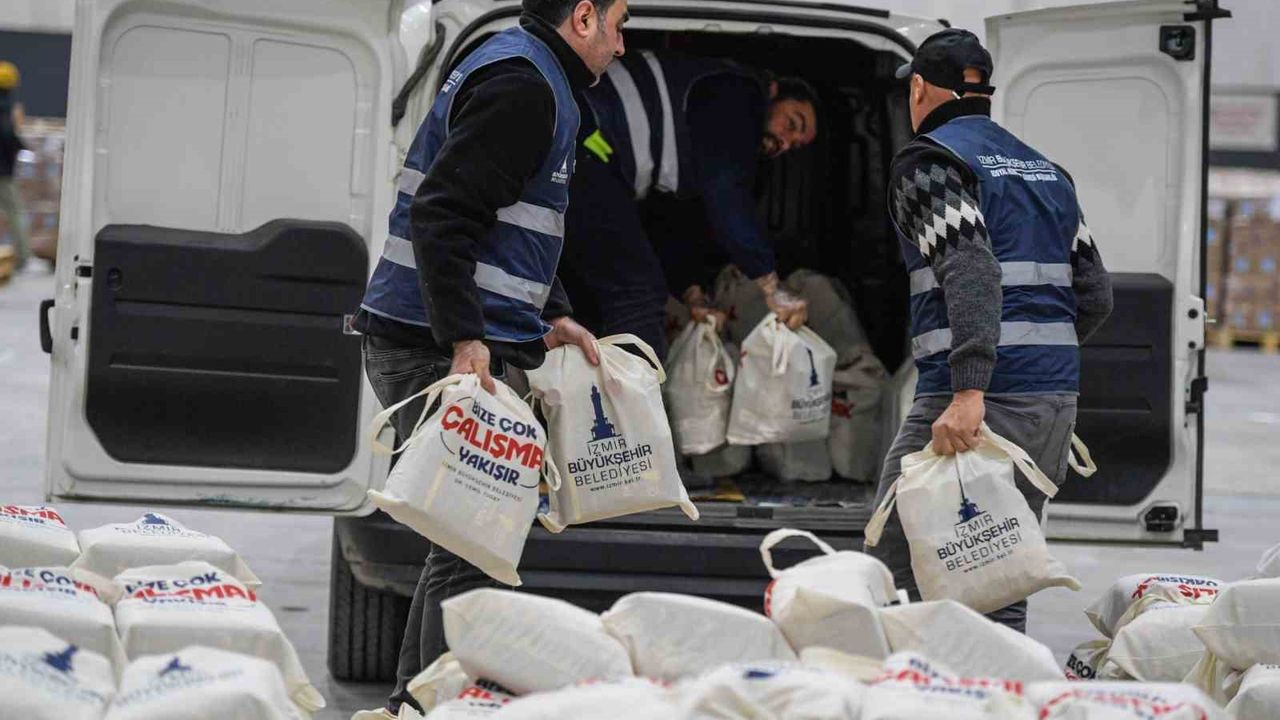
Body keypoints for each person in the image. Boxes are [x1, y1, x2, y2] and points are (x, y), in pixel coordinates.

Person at [349, 1, 627, 717]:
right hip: (432, 348)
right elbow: (443, 212)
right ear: (585, 16)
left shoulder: (530, 72)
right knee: (472, 543)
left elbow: (511, 222)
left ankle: (417, 704)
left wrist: (551, 312)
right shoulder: (524, 88)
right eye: (620, 23)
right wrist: (465, 339)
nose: (622, 45)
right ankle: (423, 707)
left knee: (467, 542)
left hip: (433, 338)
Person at [864, 29, 1113, 633]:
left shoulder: (931, 164)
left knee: (895, 565)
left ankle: (913, 682)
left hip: (973, 404)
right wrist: (1037, 363)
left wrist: (971, 388)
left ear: (918, 89)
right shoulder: (1048, 173)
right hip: (1050, 404)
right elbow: (1095, 295)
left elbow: (971, 267)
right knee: (999, 576)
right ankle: (998, 681)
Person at [559, 52, 819, 358]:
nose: (785, 142)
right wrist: (771, 286)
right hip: (586, 139)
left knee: (600, 288)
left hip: (588, 152)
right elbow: (727, 195)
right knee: (639, 294)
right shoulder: (740, 93)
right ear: (773, 91)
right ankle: (632, 389)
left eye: (794, 145)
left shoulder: (704, 139)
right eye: (792, 123)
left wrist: (692, 292)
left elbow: (669, 219)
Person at [0, 61, 28, 271]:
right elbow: (8, 135)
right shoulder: (7, 108)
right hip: (3, 171)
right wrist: (20, 147)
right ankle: (22, 256)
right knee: (15, 211)